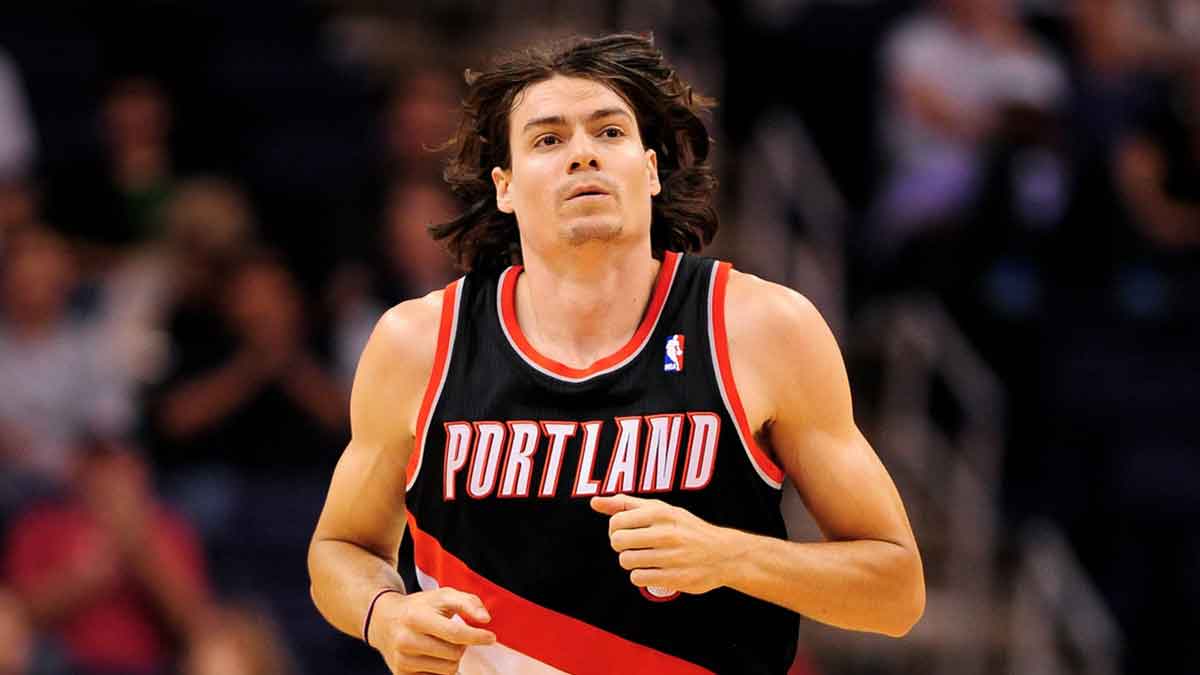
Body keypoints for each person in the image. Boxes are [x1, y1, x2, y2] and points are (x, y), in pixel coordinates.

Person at [309, 33, 924, 675]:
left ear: (651, 170)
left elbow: (897, 591)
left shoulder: (763, 329)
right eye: (549, 140)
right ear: (506, 186)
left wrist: (728, 557)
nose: (583, 156)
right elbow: (339, 548)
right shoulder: (419, 343)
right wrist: (384, 616)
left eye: (609, 133)